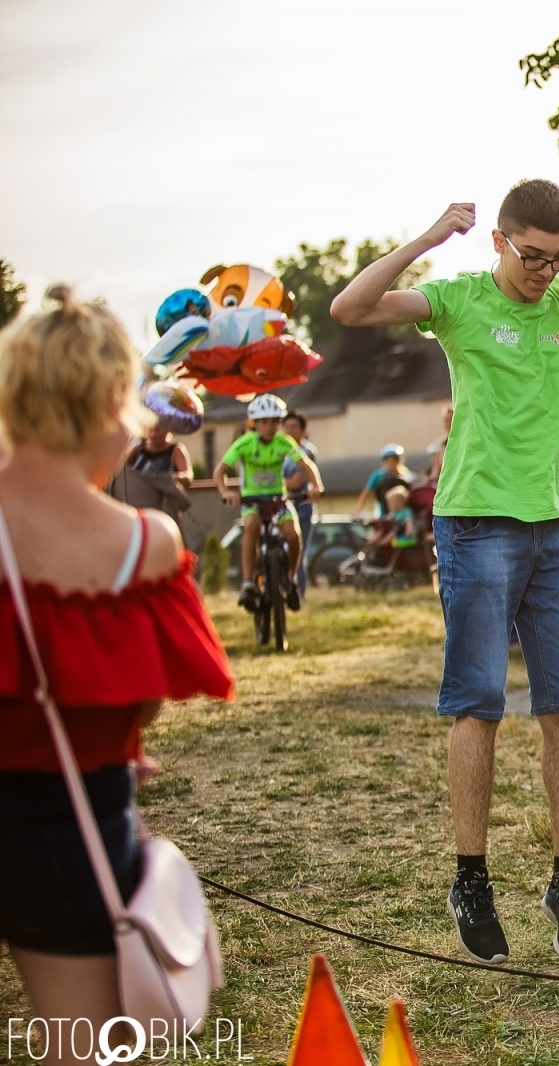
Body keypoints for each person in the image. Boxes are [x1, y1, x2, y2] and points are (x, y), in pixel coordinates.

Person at [330, 182, 559, 966]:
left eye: (558, 256)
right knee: (480, 706)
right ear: (500, 241)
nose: (543, 271)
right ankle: (471, 878)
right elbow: (350, 309)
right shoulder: (459, 298)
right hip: (474, 526)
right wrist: (430, 234)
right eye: (531, 255)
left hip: (554, 529)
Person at [0, 286, 232, 1027]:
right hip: (70, 822)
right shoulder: (145, 545)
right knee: (79, 1041)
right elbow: (146, 691)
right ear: (109, 403)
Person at [213, 394, 324, 613]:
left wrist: (315, 485)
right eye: (265, 422)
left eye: (275, 421)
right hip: (252, 500)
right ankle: (247, 583)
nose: (270, 427)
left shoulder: (283, 442)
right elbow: (220, 471)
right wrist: (226, 491)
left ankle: (291, 578)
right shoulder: (245, 443)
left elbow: (306, 465)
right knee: (252, 526)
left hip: (278, 499)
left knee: (293, 535)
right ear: (255, 423)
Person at [106, 424, 192, 527]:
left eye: (159, 429)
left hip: (162, 510)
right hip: (136, 510)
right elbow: (118, 468)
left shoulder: (176, 450)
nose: (155, 433)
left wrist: (169, 480)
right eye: (152, 429)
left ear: (167, 429)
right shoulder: (137, 450)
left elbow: (188, 476)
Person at [282, 409, 320, 595]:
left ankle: (298, 593)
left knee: (298, 550)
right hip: (279, 505)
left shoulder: (307, 452)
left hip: (302, 506)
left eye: (294, 427)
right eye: (286, 427)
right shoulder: (279, 449)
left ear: (303, 430)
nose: (290, 431)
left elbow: (297, 482)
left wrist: (271, 484)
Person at [353, 443, 414, 518]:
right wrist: (358, 510)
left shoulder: (408, 476)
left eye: (394, 460)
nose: (390, 463)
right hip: (383, 515)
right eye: (387, 460)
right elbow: (366, 493)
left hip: (404, 516)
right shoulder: (378, 476)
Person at [427, 403, 453, 482]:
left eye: (450, 420)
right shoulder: (440, 444)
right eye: (445, 421)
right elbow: (436, 471)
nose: (447, 424)